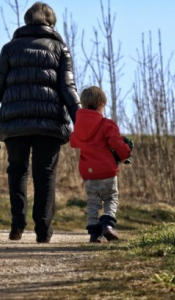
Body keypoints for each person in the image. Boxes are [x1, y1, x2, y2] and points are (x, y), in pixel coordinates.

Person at [0, 2, 81, 243]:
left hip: (16, 123)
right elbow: (68, 88)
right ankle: (43, 231)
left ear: (27, 21)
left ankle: (17, 226)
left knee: (17, 171)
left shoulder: (9, 49)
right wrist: (81, 118)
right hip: (50, 124)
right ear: (51, 23)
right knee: (45, 174)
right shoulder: (60, 49)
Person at [70, 86, 132, 243]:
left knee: (92, 201)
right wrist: (126, 152)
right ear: (101, 106)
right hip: (107, 171)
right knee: (111, 197)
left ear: (83, 105)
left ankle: (94, 234)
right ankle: (108, 225)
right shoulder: (106, 124)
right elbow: (117, 144)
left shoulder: (78, 126)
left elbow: (73, 142)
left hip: (88, 173)